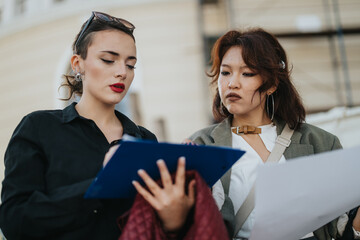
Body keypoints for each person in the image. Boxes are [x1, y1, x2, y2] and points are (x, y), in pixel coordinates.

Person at [0, 11, 196, 240]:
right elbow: (14, 221)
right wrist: (101, 184)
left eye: (130, 65)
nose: (122, 72)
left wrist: (175, 218)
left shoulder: (145, 140)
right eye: (108, 60)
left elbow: (150, 226)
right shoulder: (38, 128)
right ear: (77, 64)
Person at [188, 28, 360, 239]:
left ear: (271, 84)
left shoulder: (319, 142)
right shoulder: (202, 145)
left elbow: (343, 227)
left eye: (247, 73)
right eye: (225, 72)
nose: (232, 83)